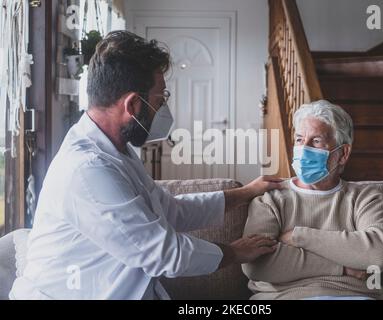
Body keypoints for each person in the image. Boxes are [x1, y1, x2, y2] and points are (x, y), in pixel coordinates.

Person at [9, 31, 281, 300]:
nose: (164, 109)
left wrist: (246, 192)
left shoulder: (117, 150)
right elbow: (163, 254)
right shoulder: (88, 170)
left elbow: (170, 210)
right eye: (160, 100)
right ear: (133, 104)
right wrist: (235, 252)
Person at [242, 100, 383, 300]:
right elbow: (256, 264)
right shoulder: (270, 199)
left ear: (343, 154)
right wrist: (342, 268)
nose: (304, 148)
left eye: (316, 141)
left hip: (353, 296)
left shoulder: (365, 198)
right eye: (299, 139)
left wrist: (298, 237)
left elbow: (378, 254)